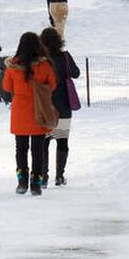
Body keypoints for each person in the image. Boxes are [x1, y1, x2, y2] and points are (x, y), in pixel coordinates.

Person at [1, 31, 57, 196]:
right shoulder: (44, 65)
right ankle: (36, 183)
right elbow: (52, 85)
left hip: (19, 112)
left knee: (21, 148)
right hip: (38, 111)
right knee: (37, 150)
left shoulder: (12, 66)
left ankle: (22, 181)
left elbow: (6, 87)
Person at [39, 26, 81, 186]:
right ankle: (60, 176)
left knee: (44, 143)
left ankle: (43, 176)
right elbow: (76, 73)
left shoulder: (40, 59)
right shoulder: (64, 56)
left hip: (45, 107)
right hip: (63, 106)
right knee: (62, 141)